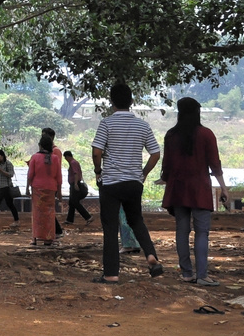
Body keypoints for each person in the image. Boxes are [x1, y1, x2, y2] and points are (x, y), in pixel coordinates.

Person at [91, 80, 163, 283]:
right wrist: (143, 174)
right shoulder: (142, 125)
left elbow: (97, 151)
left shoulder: (106, 123)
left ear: (111, 101)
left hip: (111, 182)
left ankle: (111, 274)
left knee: (111, 227)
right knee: (136, 220)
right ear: (131, 101)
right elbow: (155, 153)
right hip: (134, 182)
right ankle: (150, 254)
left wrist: (99, 171)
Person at [161, 96, 226, 284]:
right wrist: (223, 187)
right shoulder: (206, 134)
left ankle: (186, 273)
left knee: (182, 230)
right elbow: (214, 164)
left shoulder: (171, 135)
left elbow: (167, 164)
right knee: (202, 232)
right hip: (200, 188)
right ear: (197, 112)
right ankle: (202, 275)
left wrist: (166, 180)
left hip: (178, 188)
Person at [26, 130, 62, 246]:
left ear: (40, 145)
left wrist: (27, 188)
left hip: (37, 188)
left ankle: (35, 238)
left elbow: (30, 174)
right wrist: (59, 192)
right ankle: (48, 238)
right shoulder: (55, 158)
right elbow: (58, 176)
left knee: (37, 213)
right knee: (49, 214)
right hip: (51, 189)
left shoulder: (34, 157)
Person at [0, 150, 20, 225]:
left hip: (6, 187)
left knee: (10, 204)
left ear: (2, 156)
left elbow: (11, 174)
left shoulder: (8, 164)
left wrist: (1, 171)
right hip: (0, 186)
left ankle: (17, 220)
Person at [64, 151, 92, 223]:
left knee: (75, 202)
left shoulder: (73, 163)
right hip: (73, 184)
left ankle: (88, 217)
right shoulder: (74, 163)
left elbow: (76, 173)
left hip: (75, 184)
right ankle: (69, 219)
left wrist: (76, 184)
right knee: (72, 202)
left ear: (67, 157)